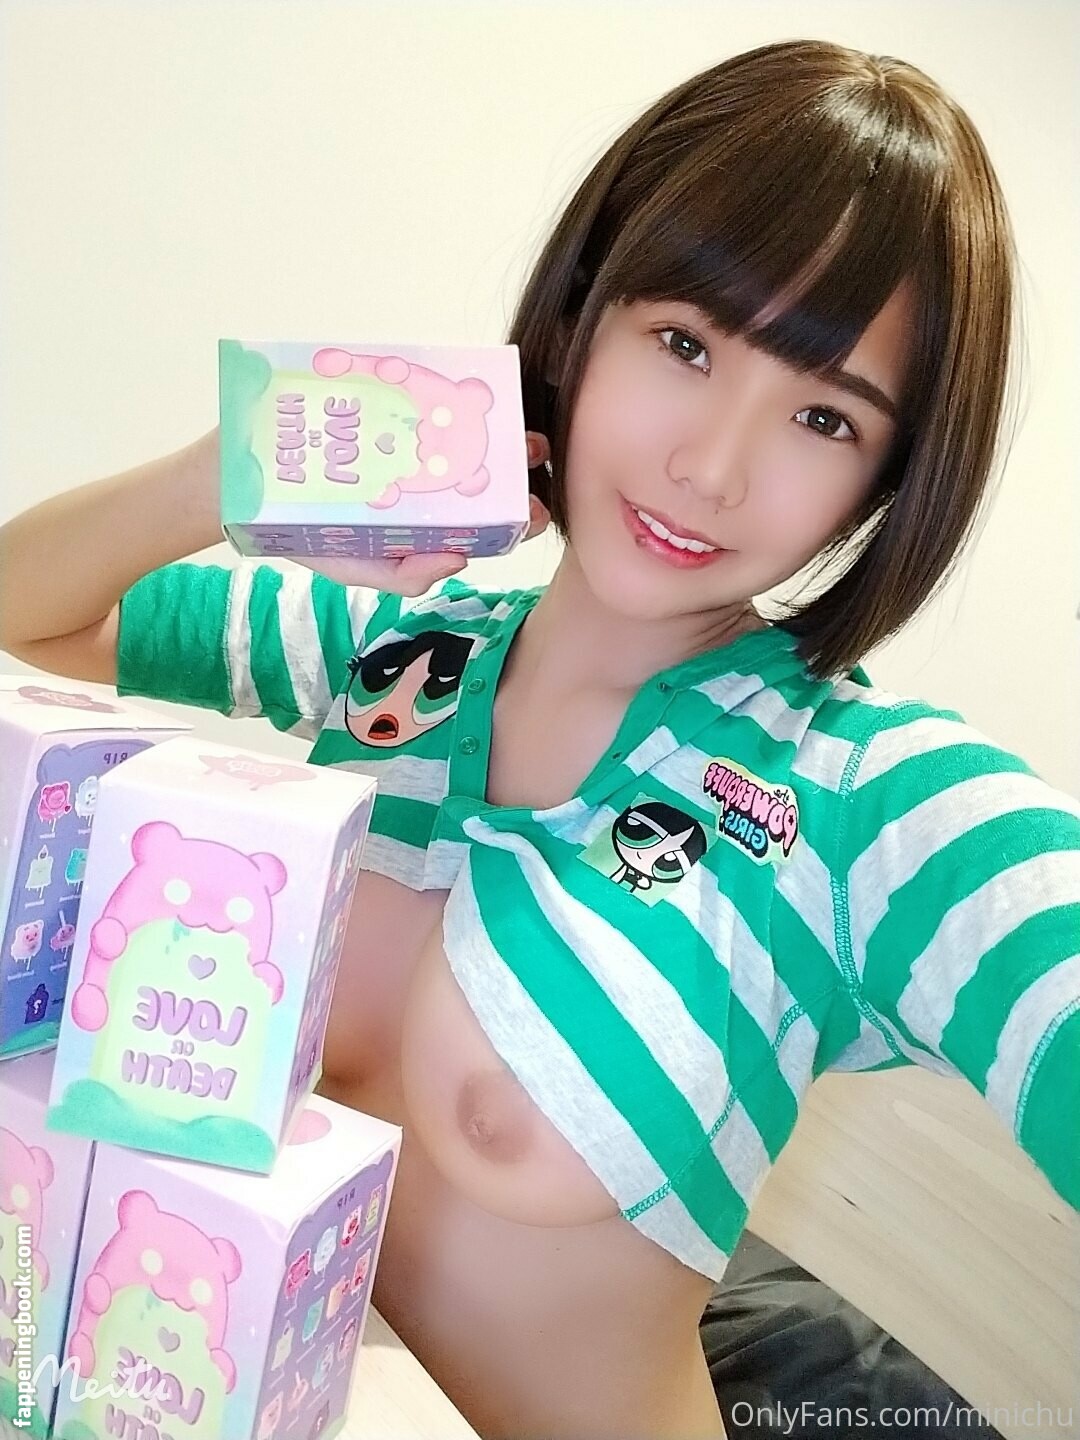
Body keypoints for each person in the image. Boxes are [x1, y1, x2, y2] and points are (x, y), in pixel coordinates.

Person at [1, 37, 1077, 1440]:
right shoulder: (400, 649)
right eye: (685, 345)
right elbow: (30, 605)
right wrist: (248, 465)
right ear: (582, 320)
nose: (710, 466)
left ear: (887, 483)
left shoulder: (863, 795)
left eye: (824, 416)